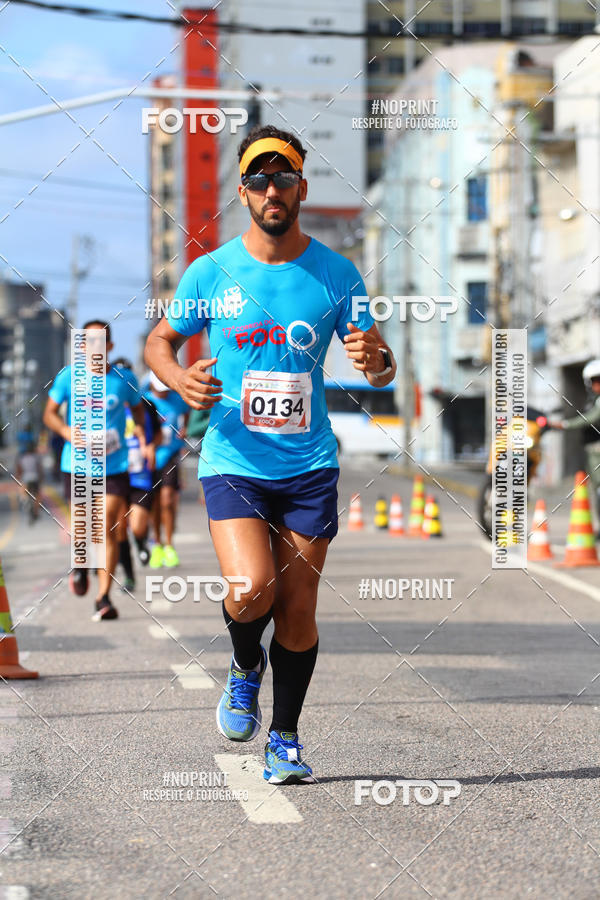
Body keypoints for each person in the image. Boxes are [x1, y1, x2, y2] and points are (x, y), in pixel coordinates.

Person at [145, 124, 396, 784]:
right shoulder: (212, 270)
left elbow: (375, 361)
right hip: (234, 458)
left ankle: (283, 738)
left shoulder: (336, 273)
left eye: (283, 176)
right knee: (251, 588)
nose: (271, 189)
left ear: (301, 187)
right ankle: (242, 665)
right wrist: (178, 377)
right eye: (258, 179)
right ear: (244, 191)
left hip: (309, 465)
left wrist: (379, 360)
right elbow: (159, 342)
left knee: (299, 608)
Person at [43, 321, 147, 620]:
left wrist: (139, 430)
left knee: (109, 528)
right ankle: (81, 564)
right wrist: (65, 430)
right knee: (82, 529)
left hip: (113, 466)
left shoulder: (125, 379)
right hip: (76, 464)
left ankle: (103, 598)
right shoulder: (68, 378)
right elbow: (49, 414)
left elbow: (138, 408)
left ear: (110, 347)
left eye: (100, 341)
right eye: (87, 341)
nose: (94, 346)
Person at [112, 358, 162, 590]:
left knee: (138, 525)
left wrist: (152, 446)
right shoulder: (107, 407)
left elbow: (160, 433)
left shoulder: (147, 406)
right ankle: (129, 576)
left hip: (141, 474)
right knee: (120, 527)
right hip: (117, 471)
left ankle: (142, 542)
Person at [144, 372, 189, 569]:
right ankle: (157, 544)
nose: (163, 393)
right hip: (150, 457)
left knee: (168, 499)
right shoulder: (144, 401)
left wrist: (184, 427)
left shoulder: (176, 400)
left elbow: (186, 411)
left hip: (170, 455)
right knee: (153, 502)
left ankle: (170, 545)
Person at [552, 359, 600, 531]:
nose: (598, 384)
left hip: (597, 452)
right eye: (596, 381)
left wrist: (565, 425)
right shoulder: (593, 400)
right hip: (592, 451)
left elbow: (589, 419)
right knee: (596, 490)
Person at [15, 441, 43, 523]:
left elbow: (19, 470)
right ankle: (36, 510)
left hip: (26, 479)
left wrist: (18, 478)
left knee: (22, 489)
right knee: (38, 494)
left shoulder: (22, 458)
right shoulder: (36, 457)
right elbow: (40, 470)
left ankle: (24, 500)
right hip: (35, 478)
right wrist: (41, 478)